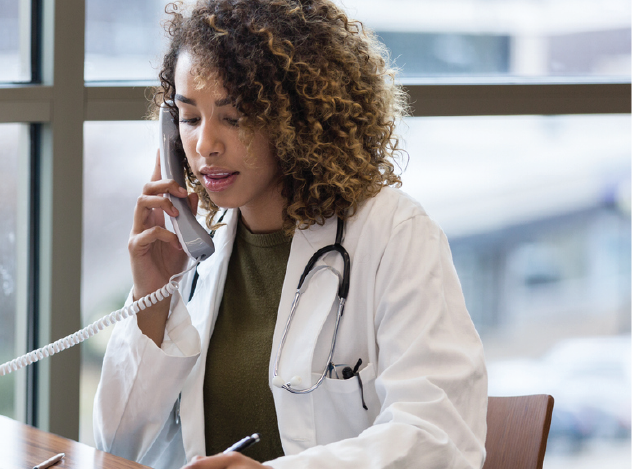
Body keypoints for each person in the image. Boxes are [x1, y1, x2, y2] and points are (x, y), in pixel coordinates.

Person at [92, 1, 488, 468]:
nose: (204, 145)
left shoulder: (395, 236)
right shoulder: (201, 255)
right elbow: (114, 445)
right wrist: (152, 298)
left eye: (233, 116)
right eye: (190, 118)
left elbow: (440, 438)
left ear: (297, 118)